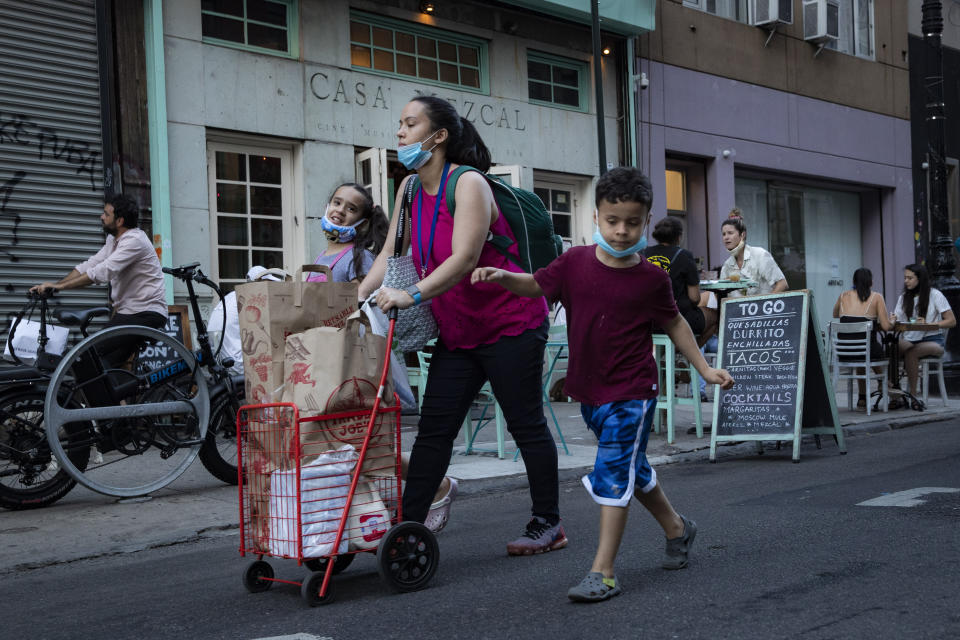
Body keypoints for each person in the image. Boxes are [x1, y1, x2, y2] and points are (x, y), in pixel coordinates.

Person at [472, 166, 735, 602]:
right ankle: (677, 528)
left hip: (633, 391)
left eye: (632, 222)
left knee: (612, 473)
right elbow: (537, 284)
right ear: (596, 216)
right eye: (612, 221)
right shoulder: (574, 263)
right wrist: (503, 277)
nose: (621, 231)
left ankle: (604, 571)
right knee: (632, 467)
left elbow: (674, 323)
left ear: (646, 222)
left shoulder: (651, 276)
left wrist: (705, 369)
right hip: (590, 391)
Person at [359, 95, 563, 554]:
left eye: (410, 124)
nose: (400, 133)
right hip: (459, 331)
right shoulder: (410, 188)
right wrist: (351, 297)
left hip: (510, 323)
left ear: (439, 136)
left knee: (525, 424)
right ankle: (408, 530)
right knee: (435, 429)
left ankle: (548, 522)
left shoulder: (467, 183)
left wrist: (409, 294)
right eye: (400, 123)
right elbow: (391, 253)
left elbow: (465, 257)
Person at [30, 193, 167, 365]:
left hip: (145, 313)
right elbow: (90, 265)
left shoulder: (134, 241)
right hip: (128, 313)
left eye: (106, 214)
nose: (101, 217)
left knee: (87, 354)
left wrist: (60, 288)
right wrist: (55, 285)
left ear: (119, 221)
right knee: (104, 367)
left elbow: (102, 272)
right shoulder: (114, 239)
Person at [643, 216, 717, 345]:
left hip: (647, 320)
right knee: (715, 316)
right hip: (677, 318)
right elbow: (695, 298)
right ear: (679, 236)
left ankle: (667, 358)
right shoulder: (685, 256)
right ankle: (683, 356)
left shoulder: (643, 253)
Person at [893, 264, 955, 410]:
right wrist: (893, 319)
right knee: (893, 347)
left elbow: (952, 321)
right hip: (910, 339)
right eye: (905, 278)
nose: (906, 281)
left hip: (933, 341)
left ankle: (913, 396)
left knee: (912, 352)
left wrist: (931, 324)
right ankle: (893, 393)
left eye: (910, 278)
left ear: (920, 279)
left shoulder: (935, 295)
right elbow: (898, 321)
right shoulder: (904, 298)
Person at [831, 268, 893, 409]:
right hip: (866, 351)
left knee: (863, 350)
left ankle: (862, 398)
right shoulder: (876, 297)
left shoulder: (843, 296)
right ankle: (886, 383)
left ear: (853, 281)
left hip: (845, 352)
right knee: (873, 350)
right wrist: (893, 321)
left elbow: (835, 314)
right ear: (871, 282)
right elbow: (886, 326)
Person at [207, 266, 285, 375]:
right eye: (268, 283)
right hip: (238, 365)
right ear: (260, 283)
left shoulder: (232, 296)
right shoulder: (251, 299)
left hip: (218, 362)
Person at [306, 183, 389, 283]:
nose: (340, 210)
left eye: (351, 209)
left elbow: (361, 297)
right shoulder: (321, 257)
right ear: (326, 207)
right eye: (337, 203)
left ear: (362, 224)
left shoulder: (360, 258)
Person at [719, 210, 788, 297]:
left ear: (742, 235)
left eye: (730, 233)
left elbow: (782, 284)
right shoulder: (727, 266)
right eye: (723, 234)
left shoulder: (760, 255)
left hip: (765, 308)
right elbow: (722, 295)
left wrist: (765, 304)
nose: (726, 237)